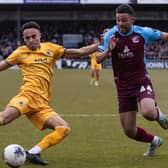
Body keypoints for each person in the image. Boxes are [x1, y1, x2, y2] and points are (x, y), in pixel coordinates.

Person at [0, 21, 98, 166]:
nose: (31, 40)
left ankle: (33, 153)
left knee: (63, 129)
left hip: (42, 105)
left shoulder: (51, 48)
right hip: (27, 97)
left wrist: (101, 44)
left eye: (34, 36)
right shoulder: (20, 52)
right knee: (4, 118)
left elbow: (80, 52)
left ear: (40, 35)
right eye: (27, 38)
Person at [97, 4, 168, 157]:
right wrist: (109, 49)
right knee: (129, 130)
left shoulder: (143, 33)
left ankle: (159, 115)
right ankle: (155, 141)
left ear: (132, 19)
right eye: (118, 21)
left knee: (148, 113)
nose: (120, 24)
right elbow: (98, 59)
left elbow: (164, 36)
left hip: (141, 80)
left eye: (124, 20)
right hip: (122, 87)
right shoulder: (111, 35)